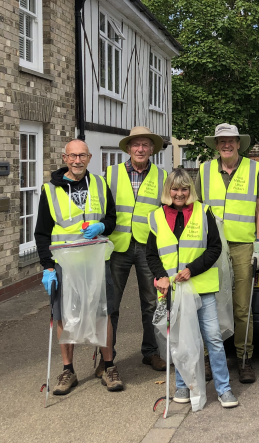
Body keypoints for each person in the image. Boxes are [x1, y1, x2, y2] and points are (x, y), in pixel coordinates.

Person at [35, 139, 123, 393]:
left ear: (89, 157)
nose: (77, 161)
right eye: (72, 156)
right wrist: (47, 267)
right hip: (65, 261)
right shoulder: (50, 190)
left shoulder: (100, 183)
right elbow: (42, 232)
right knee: (64, 314)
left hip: (96, 259)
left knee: (102, 311)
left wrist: (103, 226)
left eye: (82, 156)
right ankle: (68, 371)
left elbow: (111, 219)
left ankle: (109, 366)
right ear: (64, 158)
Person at [146, 168, 239, 408]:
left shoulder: (204, 211)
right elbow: (152, 254)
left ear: (191, 190)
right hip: (174, 292)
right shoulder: (156, 216)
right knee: (179, 341)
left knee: (213, 339)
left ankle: (223, 389)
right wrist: (160, 276)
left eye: (184, 188)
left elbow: (214, 248)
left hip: (202, 288)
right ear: (168, 190)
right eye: (175, 189)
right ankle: (183, 386)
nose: (179, 193)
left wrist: (192, 269)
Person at [195, 123, 259, 384]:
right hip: (211, 246)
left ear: (239, 143)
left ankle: (243, 358)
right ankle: (208, 357)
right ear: (216, 145)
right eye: (221, 141)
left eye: (231, 141)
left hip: (243, 245)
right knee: (209, 303)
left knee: (241, 306)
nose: (226, 145)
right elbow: (195, 208)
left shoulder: (255, 168)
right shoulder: (204, 170)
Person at [104, 126, 168, 374]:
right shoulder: (111, 173)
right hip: (117, 247)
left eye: (145, 145)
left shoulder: (163, 178)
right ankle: (107, 357)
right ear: (128, 149)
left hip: (148, 248)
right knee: (111, 304)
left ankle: (151, 353)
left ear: (152, 149)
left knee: (152, 303)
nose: (140, 149)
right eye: (136, 145)